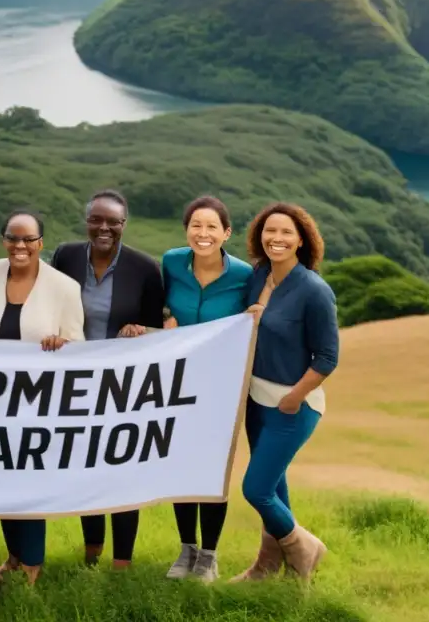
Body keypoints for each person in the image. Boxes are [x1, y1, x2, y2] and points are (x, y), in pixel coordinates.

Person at [50, 189, 164, 569]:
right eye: (96, 220)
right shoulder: (65, 257)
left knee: (121, 468)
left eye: (112, 222)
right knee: (86, 468)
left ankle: (123, 561)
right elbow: (51, 307)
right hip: (76, 384)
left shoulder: (145, 268)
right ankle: (91, 551)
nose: (104, 228)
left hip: (122, 386)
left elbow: (155, 328)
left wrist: (141, 329)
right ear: (86, 222)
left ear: (123, 225)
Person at [232, 202, 338, 583]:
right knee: (276, 485)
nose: (276, 238)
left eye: (286, 233)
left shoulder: (314, 290)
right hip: (256, 401)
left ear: (301, 241)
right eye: (270, 231)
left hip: (293, 406)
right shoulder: (258, 275)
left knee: (256, 489)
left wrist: (293, 397)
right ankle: (269, 567)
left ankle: (305, 547)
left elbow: (327, 357)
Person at [0, 209, 85, 586]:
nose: (20, 246)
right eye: (13, 238)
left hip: (37, 404)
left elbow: (78, 347)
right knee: (1, 483)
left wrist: (63, 344)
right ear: (3, 239)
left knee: (28, 483)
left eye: (28, 239)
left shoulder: (64, 288)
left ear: (41, 243)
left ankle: (32, 564)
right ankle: (13, 556)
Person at [160, 196, 253, 583]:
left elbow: (254, 317)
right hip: (177, 382)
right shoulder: (170, 262)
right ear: (187, 230)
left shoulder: (245, 275)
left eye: (212, 226)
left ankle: (209, 557)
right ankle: (186, 550)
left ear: (226, 233)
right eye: (196, 225)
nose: (203, 233)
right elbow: (159, 303)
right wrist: (165, 317)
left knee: (214, 471)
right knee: (181, 466)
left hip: (222, 385)